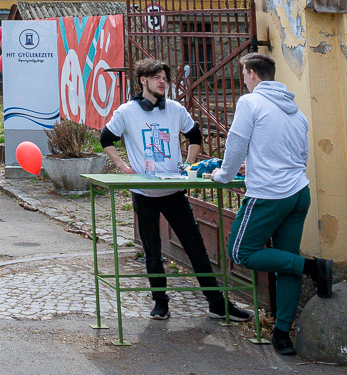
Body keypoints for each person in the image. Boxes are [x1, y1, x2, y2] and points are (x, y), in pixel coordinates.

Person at [98, 58, 252, 322]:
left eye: (165, 78)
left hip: (173, 192)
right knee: (152, 250)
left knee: (196, 248)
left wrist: (188, 166)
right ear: (142, 81)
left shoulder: (176, 109)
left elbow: (195, 135)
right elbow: (106, 138)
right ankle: (160, 302)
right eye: (156, 77)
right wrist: (123, 166)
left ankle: (217, 303)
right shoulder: (126, 111)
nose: (162, 82)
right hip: (144, 192)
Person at [214, 52, 333, 356]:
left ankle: (314, 267)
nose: (243, 80)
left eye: (243, 74)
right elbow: (296, 154)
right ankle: (282, 335)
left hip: (268, 195)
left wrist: (224, 175)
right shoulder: (296, 111)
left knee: (240, 251)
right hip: (298, 193)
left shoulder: (249, 102)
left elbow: (237, 142)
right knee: (286, 262)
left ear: (252, 73)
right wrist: (254, 165)